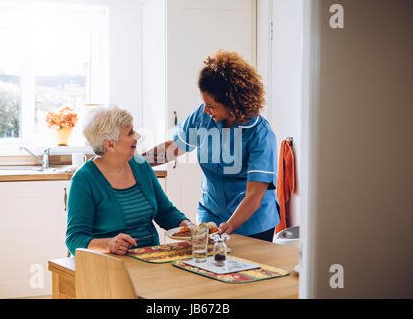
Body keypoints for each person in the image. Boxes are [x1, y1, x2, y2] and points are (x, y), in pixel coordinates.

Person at [143, 50, 279, 242]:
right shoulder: (203, 115)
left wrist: (229, 226)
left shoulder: (260, 134)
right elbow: (172, 148)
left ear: (233, 103)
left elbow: (255, 194)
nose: (206, 110)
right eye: (204, 103)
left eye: (212, 106)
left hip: (252, 223)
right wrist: (137, 161)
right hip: (211, 215)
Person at [66, 105, 191, 256]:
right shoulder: (84, 179)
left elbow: (165, 212)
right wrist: (110, 244)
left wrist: (187, 226)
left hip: (151, 257)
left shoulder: (141, 166)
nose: (137, 136)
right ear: (110, 144)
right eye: (130, 133)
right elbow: (75, 238)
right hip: (109, 263)